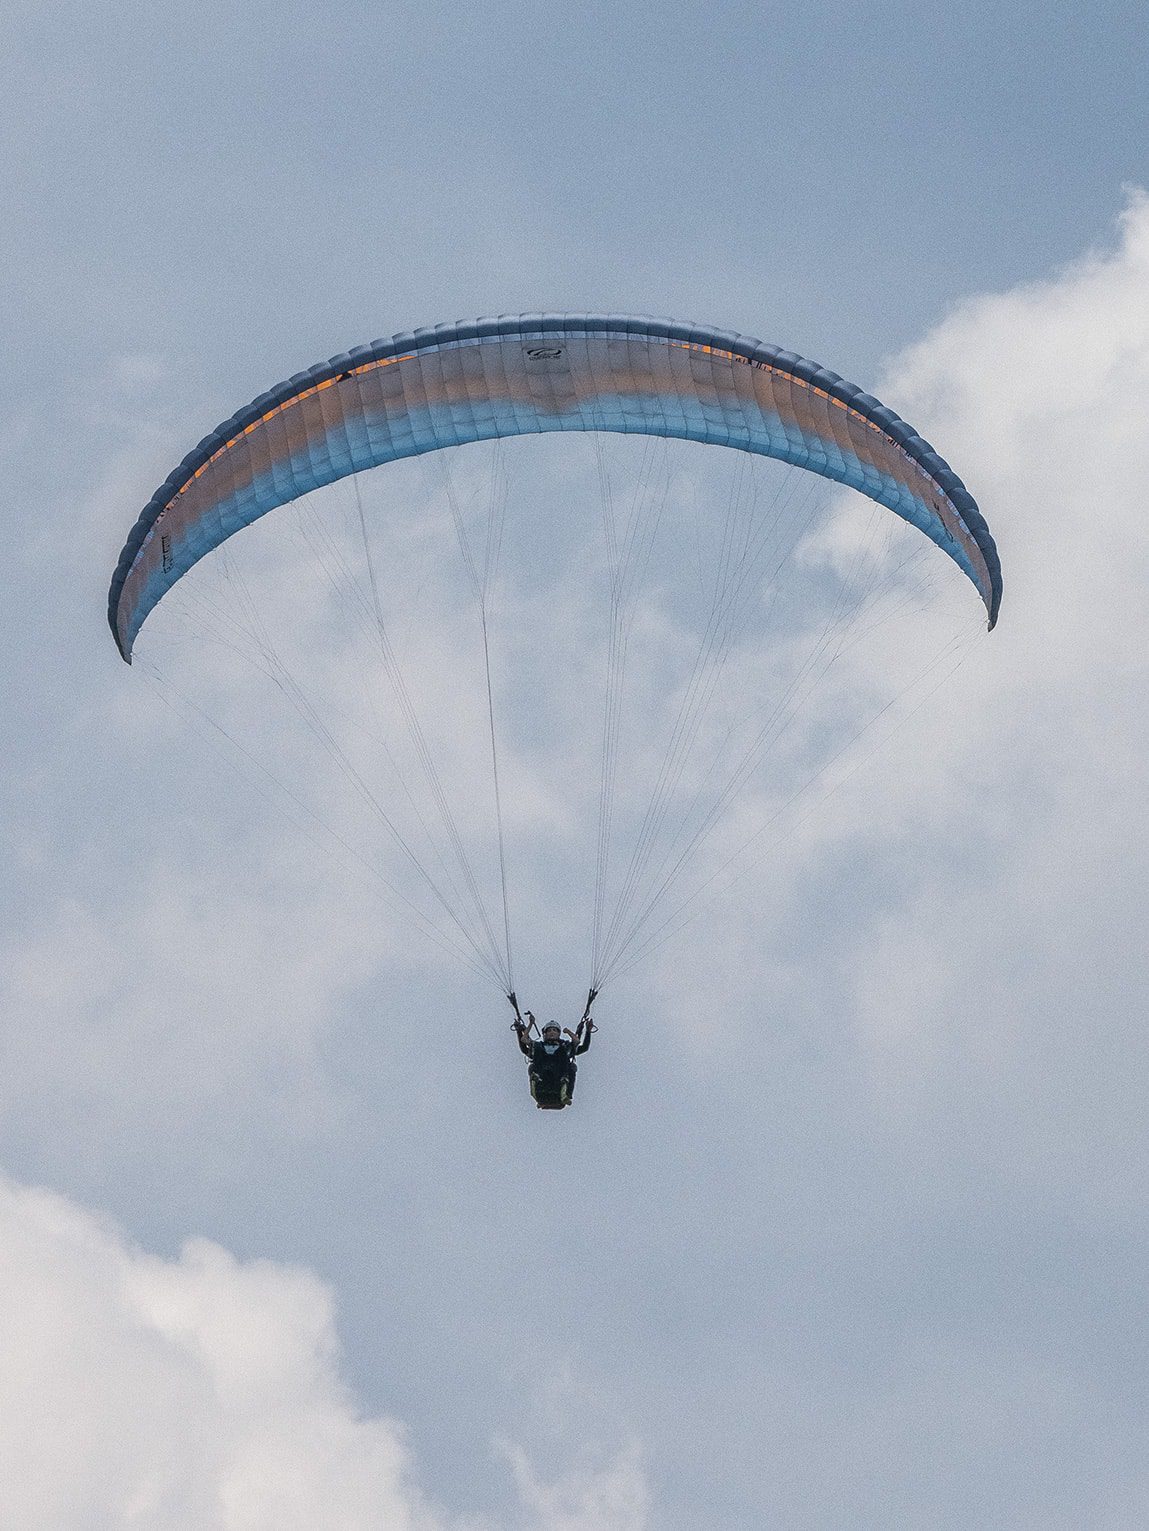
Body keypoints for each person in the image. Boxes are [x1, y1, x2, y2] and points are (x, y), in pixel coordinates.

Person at [513, 1011, 595, 1109]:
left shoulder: (565, 1046)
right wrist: (525, 1027)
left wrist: (586, 1031)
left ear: (558, 1033)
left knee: (571, 1064)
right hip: (542, 1076)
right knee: (534, 1060)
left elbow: (580, 1045)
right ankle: (535, 1083)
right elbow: (524, 1043)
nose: (552, 1032)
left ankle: (566, 1093)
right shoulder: (538, 1046)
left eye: (555, 1030)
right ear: (545, 1034)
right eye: (549, 1031)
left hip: (559, 1076)